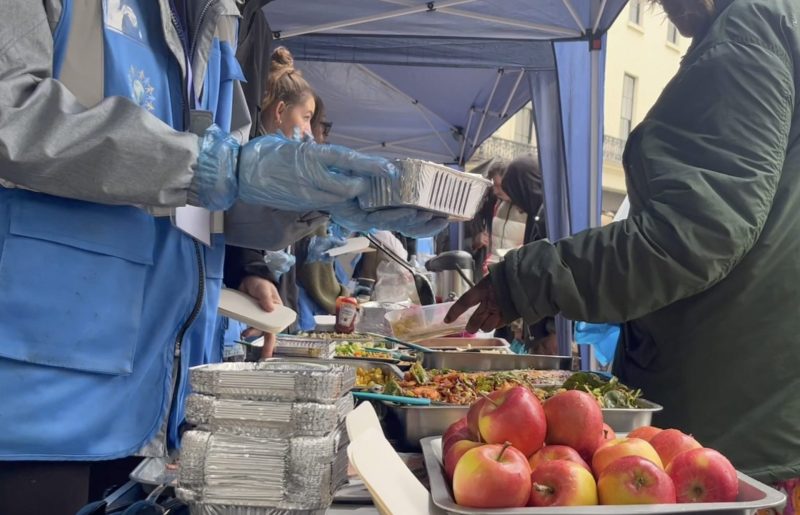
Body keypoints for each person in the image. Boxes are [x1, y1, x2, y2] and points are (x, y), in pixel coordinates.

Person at [0, 3, 445, 513]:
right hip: (38, 390)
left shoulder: (222, 17)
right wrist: (216, 166)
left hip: (162, 393)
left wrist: (316, 203)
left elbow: (212, 205)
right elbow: (11, 111)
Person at [447, 0, 800, 501]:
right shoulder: (774, 26)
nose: (664, 11)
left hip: (732, 414)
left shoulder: (748, 32)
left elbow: (695, 234)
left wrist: (527, 278)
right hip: (760, 398)